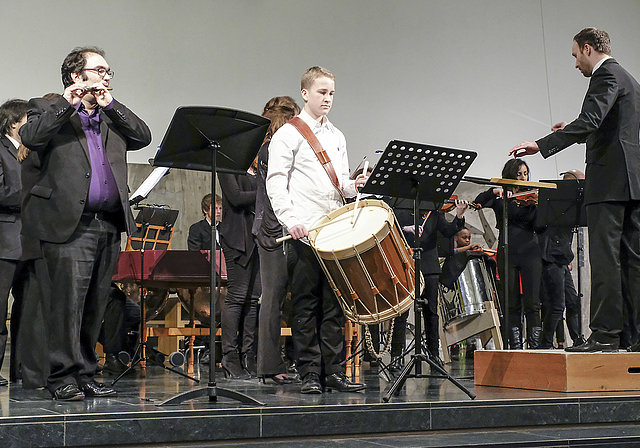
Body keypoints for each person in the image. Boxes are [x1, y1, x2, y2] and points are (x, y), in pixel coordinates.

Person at [19, 46, 152, 400]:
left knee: (95, 303)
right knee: (66, 305)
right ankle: (62, 375)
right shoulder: (47, 108)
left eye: (110, 72)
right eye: (100, 70)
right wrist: (69, 103)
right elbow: (31, 138)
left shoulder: (111, 116)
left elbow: (143, 136)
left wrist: (109, 104)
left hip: (107, 223)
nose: (107, 77)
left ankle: (87, 372)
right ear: (78, 76)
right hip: (67, 224)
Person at [510, 28, 640, 352]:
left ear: (587, 49)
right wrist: (571, 128)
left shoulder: (605, 74)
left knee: (606, 260)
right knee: (632, 261)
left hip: (609, 184)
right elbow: (610, 127)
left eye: (575, 56)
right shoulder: (629, 79)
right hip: (632, 183)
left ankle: (606, 335)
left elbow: (592, 119)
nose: (575, 64)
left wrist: (542, 145)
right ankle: (632, 337)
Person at [266, 66, 367, 394]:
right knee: (306, 304)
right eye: (322, 92)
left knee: (334, 304)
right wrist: (290, 220)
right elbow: (276, 181)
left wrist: (355, 185)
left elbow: (340, 186)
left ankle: (332, 371)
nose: (328, 99)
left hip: (335, 233)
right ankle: (309, 371)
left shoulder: (337, 136)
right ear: (306, 93)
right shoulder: (288, 134)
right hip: (305, 233)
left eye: (332, 93)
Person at [252, 96, 300, 385]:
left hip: (283, 229)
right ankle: (269, 365)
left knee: (288, 300)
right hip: (273, 230)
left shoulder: (273, 147)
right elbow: (275, 195)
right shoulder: (271, 149)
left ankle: (292, 361)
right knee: (272, 299)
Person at [475, 159, 542, 349]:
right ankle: (515, 347)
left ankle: (535, 347)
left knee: (533, 302)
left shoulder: (533, 199)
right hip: (508, 251)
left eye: (525, 174)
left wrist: (538, 206)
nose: (523, 178)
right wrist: (496, 191)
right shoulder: (501, 198)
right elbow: (479, 201)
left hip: (531, 251)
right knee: (511, 303)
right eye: (519, 174)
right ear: (510, 175)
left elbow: (541, 226)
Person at [394, 201, 469, 368]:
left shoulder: (433, 211)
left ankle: (433, 354)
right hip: (405, 263)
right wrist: (406, 229)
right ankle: (396, 355)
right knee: (402, 312)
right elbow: (390, 228)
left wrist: (459, 215)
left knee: (431, 312)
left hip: (429, 265)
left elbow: (449, 231)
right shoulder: (398, 207)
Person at [218, 169, 260, 379]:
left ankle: (248, 354)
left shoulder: (260, 165)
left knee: (252, 299)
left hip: (258, 235)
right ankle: (229, 356)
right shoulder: (228, 163)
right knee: (237, 296)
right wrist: (267, 191)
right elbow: (235, 197)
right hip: (237, 236)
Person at [538, 170, 586, 349]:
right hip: (551, 257)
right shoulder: (555, 204)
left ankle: (578, 340)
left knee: (573, 301)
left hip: (562, 259)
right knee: (558, 305)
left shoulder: (573, 207)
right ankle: (545, 342)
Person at [0, 99, 28, 386]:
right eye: (28, 119)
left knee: (27, 310)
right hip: (5, 240)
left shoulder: (33, 150)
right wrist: (36, 197)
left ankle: (23, 369)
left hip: (31, 240)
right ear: (14, 123)